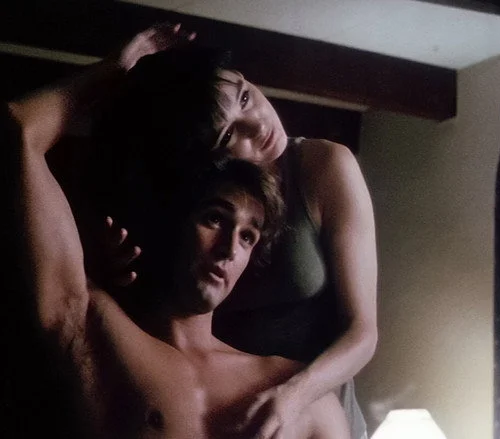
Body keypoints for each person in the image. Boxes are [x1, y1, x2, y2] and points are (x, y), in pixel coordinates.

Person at [3, 24, 349, 438]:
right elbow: (21, 129)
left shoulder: (297, 396)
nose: (229, 249)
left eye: (248, 236)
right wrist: (113, 72)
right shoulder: (95, 330)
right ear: (173, 221)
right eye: (215, 219)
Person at [95, 35, 378, 439]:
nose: (258, 126)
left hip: (314, 405)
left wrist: (294, 395)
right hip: (230, 405)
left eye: (245, 98)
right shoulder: (196, 209)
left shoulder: (324, 166)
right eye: (229, 135)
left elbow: (363, 333)